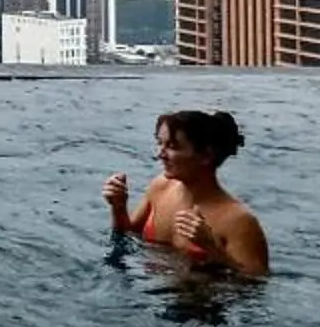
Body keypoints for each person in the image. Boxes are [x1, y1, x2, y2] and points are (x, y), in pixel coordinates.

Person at [105, 109, 269, 277]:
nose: (160, 154)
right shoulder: (160, 188)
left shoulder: (239, 222)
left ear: (206, 155)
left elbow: (255, 282)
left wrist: (211, 249)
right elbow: (127, 236)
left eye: (172, 147)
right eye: (160, 143)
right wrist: (118, 207)